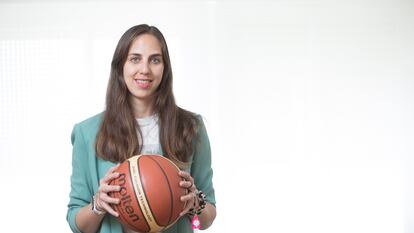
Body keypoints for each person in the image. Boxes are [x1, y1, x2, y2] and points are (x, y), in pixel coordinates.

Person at [67, 24, 216, 233]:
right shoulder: (87, 133)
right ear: (121, 66)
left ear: (165, 68)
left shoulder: (191, 127)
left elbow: (204, 223)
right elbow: (78, 225)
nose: (144, 69)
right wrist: (98, 204)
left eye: (155, 60)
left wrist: (195, 205)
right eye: (135, 59)